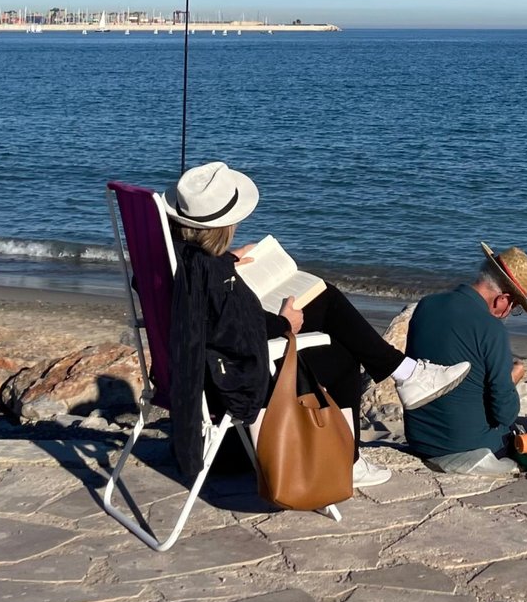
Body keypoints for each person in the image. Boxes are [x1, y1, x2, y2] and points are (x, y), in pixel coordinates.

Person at [165, 161, 469, 489]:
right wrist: (284, 322)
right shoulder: (211, 274)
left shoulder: (179, 258)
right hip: (232, 377)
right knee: (342, 355)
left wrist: (227, 259)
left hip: (193, 366)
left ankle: (404, 372)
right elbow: (236, 332)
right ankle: (353, 452)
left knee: (324, 297)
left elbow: (213, 317)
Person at [402, 241, 527, 475]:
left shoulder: (426, 305)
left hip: (419, 438)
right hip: (466, 444)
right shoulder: (491, 328)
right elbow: (504, 413)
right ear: (503, 299)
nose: (509, 313)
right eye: (514, 307)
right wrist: (512, 378)